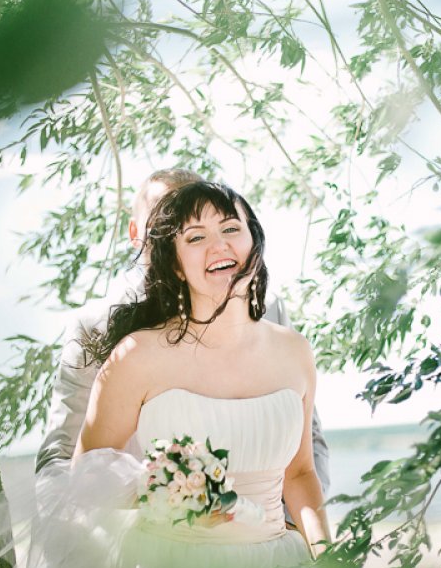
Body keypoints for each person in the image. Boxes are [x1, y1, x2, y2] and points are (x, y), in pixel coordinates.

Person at [2, 181, 337, 568]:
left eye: (231, 228)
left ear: (254, 241)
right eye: (195, 237)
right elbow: (85, 472)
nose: (219, 245)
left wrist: (324, 560)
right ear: (174, 263)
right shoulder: (136, 356)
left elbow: (301, 473)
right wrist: (155, 486)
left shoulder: (294, 352)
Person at [35, 169, 331, 503]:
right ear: (136, 233)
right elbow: (64, 455)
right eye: (165, 220)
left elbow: (306, 442)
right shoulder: (96, 326)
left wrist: (288, 523)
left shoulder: (267, 310)